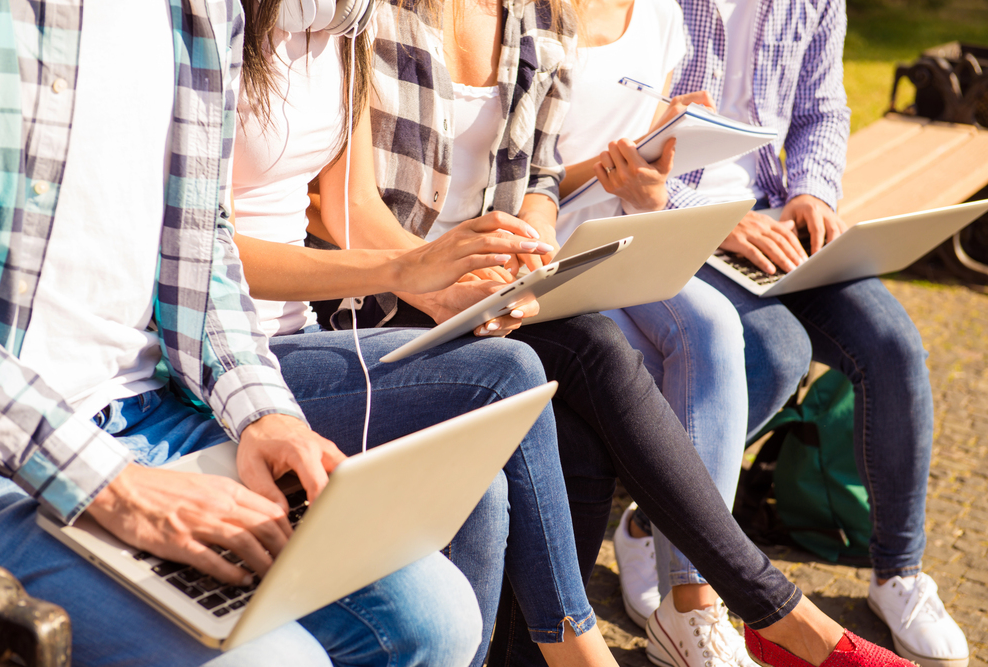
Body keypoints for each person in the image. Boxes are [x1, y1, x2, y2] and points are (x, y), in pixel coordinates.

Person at [307, 2, 916, 667]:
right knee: (579, 364)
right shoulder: (369, 18)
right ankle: (781, 618)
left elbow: (536, 176)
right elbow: (343, 208)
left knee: (593, 386)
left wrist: (530, 256)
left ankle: (753, 609)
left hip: (482, 287)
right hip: (382, 299)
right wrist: (431, 276)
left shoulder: (530, 18)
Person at [0, 1, 488, 665]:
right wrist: (113, 484)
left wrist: (266, 415)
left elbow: (203, 246)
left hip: (155, 414)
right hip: (13, 456)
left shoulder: (208, 11)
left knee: (440, 620)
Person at [229, 2, 619, 666]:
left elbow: (350, 205)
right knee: (511, 372)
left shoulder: (345, 26)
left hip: (296, 338)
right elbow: (195, 255)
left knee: (484, 484)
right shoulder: (218, 30)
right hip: (231, 351)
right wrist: (406, 267)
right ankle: (578, 648)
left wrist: (440, 289)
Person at [612, 0, 971, 665]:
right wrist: (715, 216)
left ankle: (898, 573)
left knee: (892, 344)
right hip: (674, 218)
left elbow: (821, 112)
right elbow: (618, 135)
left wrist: (813, 192)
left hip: (778, 221)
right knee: (778, 350)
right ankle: (652, 522)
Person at [551, 0, 755, 664]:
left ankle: (691, 602)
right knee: (637, 359)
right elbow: (500, 168)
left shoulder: (663, 15)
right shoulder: (528, 15)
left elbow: (647, 168)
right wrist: (603, 170)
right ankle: (689, 594)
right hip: (548, 252)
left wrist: (660, 159)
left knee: (717, 325)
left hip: (623, 237)